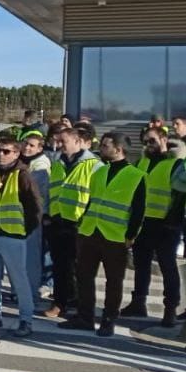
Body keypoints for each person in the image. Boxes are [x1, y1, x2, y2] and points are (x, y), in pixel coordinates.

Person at [71, 132, 146, 336]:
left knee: (114, 281)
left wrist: (130, 236)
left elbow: (138, 211)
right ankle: (85, 317)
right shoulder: (100, 171)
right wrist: (82, 223)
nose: (101, 149)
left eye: (105, 146)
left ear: (118, 149)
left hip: (115, 236)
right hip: (90, 231)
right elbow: (91, 200)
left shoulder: (136, 176)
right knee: (84, 276)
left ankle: (108, 319)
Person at [0, 134, 43, 335]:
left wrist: (25, 230)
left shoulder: (22, 175)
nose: (1, 154)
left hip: (13, 236)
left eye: (6, 151)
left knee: (19, 280)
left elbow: (35, 206)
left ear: (16, 153)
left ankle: (26, 319)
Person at [43, 122, 101, 320]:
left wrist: (87, 220)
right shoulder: (58, 162)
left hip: (80, 224)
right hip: (58, 222)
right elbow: (51, 191)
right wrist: (48, 215)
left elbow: (96, 196)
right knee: (60, 267)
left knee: (80, 269)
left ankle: (80, 305)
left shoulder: (94, 165)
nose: (59, 145)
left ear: (78, 142)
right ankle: (60, 303)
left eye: (64, 142)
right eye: (58, 141)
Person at [126, 126, 182, 324]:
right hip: (143, 222)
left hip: (165, 224)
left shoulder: (176, 163)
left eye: (152, 140)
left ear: (164, 139)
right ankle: (138, 303)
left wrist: (172, 221)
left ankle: (170, 308)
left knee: (168, 266)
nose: (148, 145)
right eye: (145, 142)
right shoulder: (142, 162)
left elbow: (180, 196)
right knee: (141, 264)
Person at [20, 130, 51, 304]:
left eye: (31, 145)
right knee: (21, 256)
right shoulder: (25, 161)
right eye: (25, 143)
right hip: (21, 214)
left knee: (31, 257)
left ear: (40, 148)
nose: (27, 147)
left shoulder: (41, 165)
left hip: (32, 215)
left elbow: (31, 189)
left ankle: (31, 292)